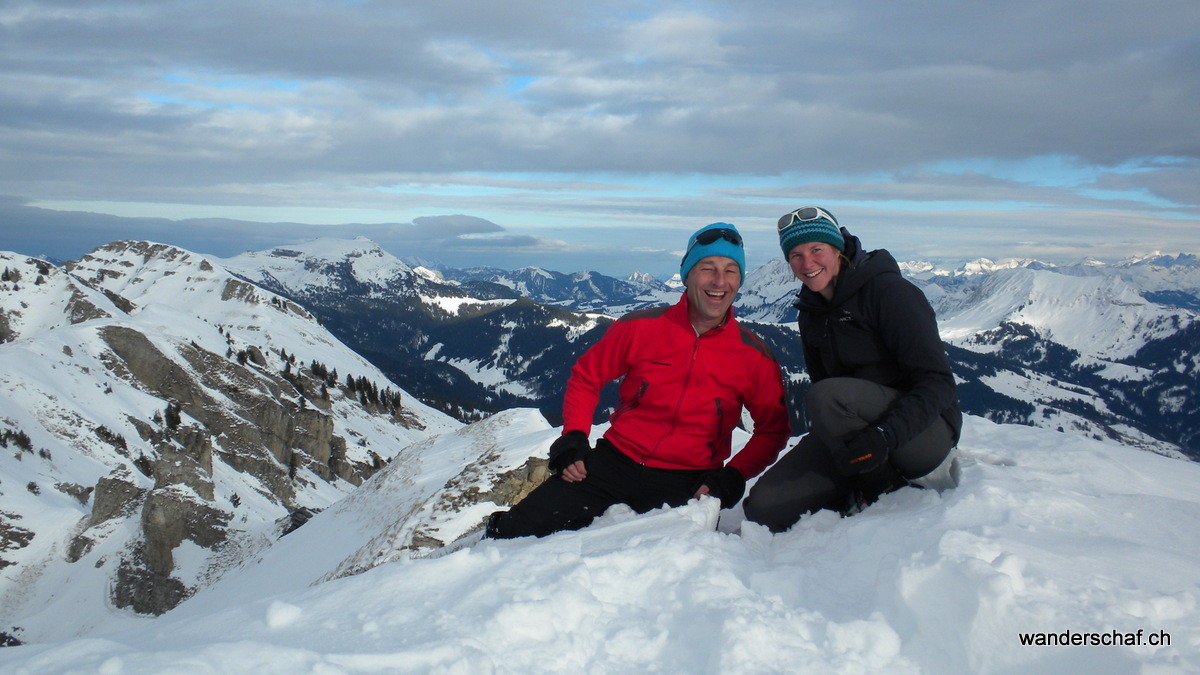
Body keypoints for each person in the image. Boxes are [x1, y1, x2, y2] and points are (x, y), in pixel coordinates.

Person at [486, 223, 791, 539]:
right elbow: (587, 377)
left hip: (691, 481)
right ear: (687, 275)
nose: (719, 281)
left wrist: (733, 475)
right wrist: (574, 436)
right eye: (707, 268)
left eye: (730, 271)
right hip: (614, 461)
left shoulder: (753, 355)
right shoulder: (640, 328)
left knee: (662, 572)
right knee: (514, 533)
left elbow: (773, 428)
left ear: (740, 281)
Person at [742, 206, 962, 532]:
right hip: (861, 433)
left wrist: (884, 437)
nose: (807, 263)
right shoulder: (811, 312)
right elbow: (827, 397)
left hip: (923, 434)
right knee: (763, 509)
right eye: (796, 256)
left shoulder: (889, 293)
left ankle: (884, 489)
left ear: (838, 248)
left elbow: (939, 384)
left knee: (829, 396)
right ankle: (858, 481)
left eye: (817, 250)